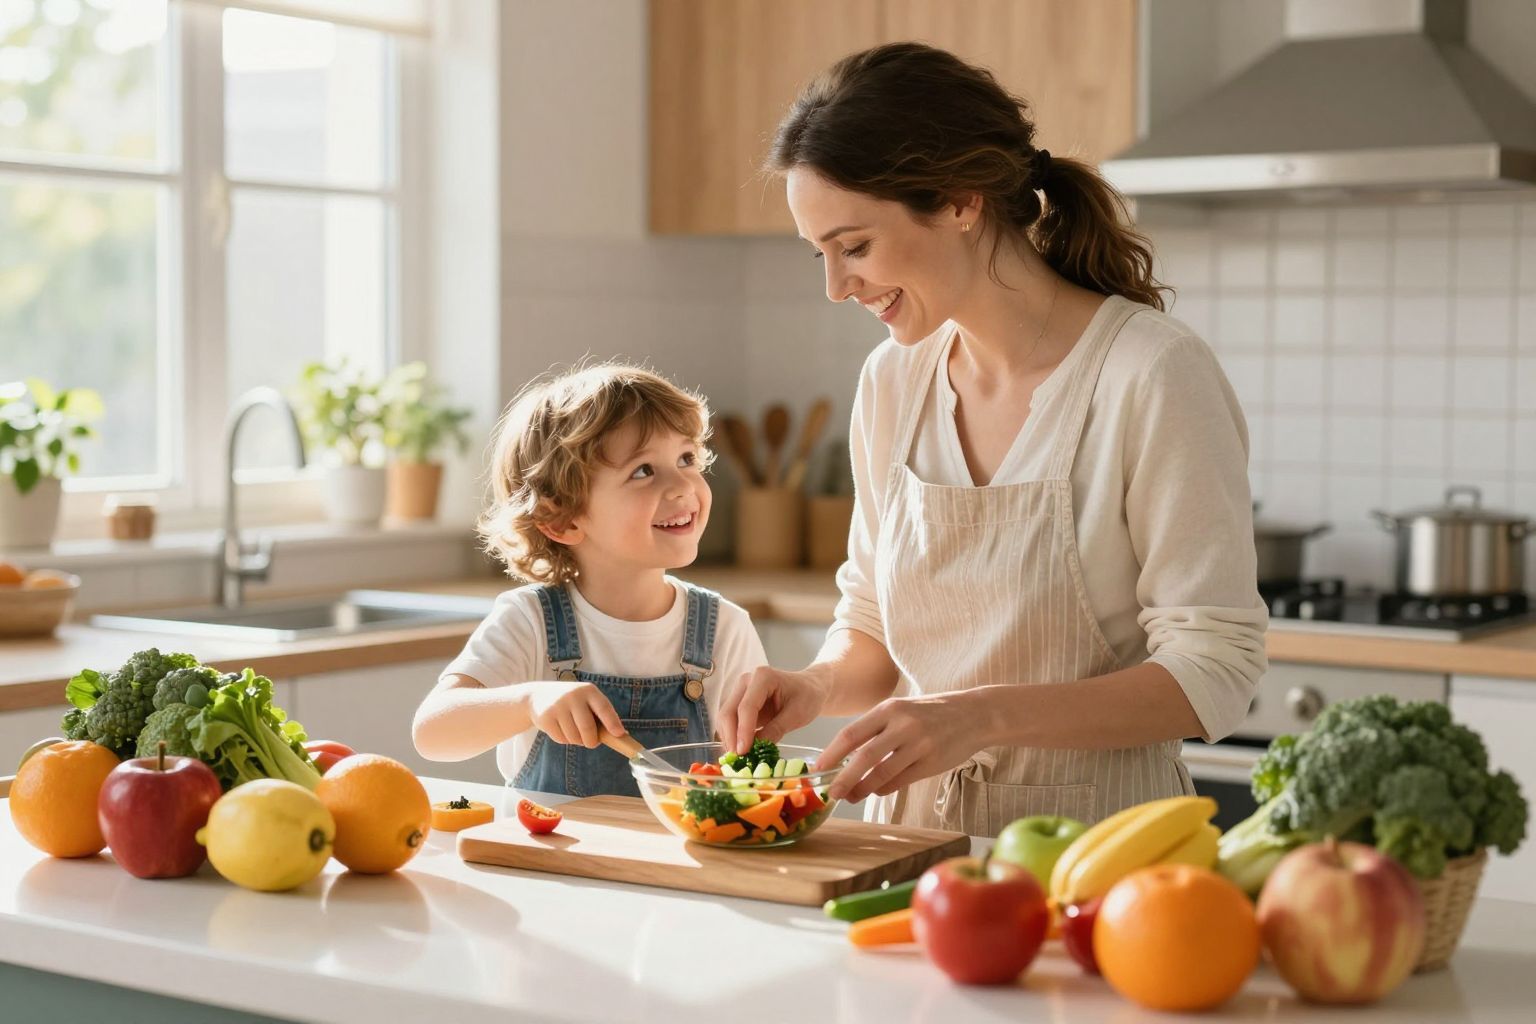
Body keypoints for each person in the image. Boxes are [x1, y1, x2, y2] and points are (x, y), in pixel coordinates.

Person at [718, 42, 1267, 834]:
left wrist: (978, 718)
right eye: (821, 255)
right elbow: (872, 622)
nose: (836, 288)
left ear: (959, 201)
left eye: (855, 247)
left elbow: (1213, 670)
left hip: (1100, 856)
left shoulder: (1150, 373)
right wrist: (814, 685)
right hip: (907, 846)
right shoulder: (893, 380)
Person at [412, 364, 767, 796]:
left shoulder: (724, 629)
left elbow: (753, 776)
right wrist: (529, 701)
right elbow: (432, 731)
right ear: (560, 519)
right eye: (643, 471)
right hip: (550, 862)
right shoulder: (529, 621)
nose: (682, 486)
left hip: (680, 862)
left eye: (686, 458)